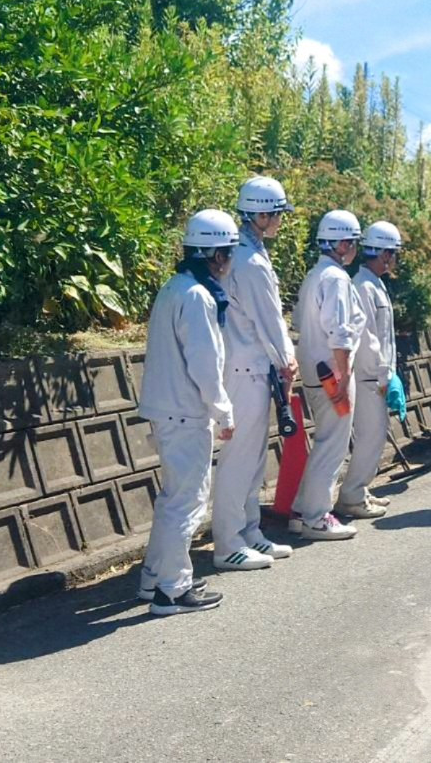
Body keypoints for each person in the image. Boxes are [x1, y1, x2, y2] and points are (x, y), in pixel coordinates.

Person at [136, 209, 237, 615]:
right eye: (229, 253)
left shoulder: (174, 287)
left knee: (171, 499)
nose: (230, 261)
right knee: (187, 502)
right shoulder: (198, 296)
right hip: (186, 411)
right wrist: (223, 412)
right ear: (215, 255)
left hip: (167, 409)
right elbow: (205, 363)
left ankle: (153, 578)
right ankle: (173, 590)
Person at [212, 176, 297, 573]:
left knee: (253, 458)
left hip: (249, 368)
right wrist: (287, 362)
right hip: (246, 369)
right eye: (277, 213)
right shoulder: (250, 262)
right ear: (261, 215)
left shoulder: (246, 253)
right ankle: (229, 542)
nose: (280, 220)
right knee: (240, 459)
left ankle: (248, 531)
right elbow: (270, 321)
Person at [290, 209, 367, 540]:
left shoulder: (314, 275)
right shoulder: (336, 278)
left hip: (314, 370)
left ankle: (301, 510)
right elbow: (340, 331)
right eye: (353, 243)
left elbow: (298, 321)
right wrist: (345, 375)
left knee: (325, 440)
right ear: (343, 244)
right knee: (332, 445)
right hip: (332, 372)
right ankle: (316, 516)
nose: (355, 249)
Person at [343, 220, 406, 520]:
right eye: (393, 253)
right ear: (384, 254)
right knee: (370, 437)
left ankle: (360, 489)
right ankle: (352, 496)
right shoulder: (363, 286)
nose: (394, 259)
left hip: (375, 375)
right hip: (368, 375)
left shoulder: (374, 284)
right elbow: (367, 337)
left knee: (375, 437)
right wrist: (383, 374)